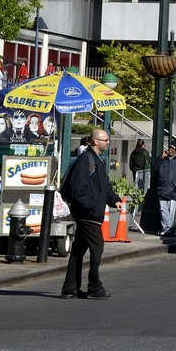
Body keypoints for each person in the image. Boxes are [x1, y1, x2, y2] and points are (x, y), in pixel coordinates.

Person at [59, 128, 124, 300]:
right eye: (105, 140)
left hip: (90, 212)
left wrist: (114, 200)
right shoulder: (85, 160)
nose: (108, 143)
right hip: (88, 214)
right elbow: (78, 189)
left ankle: (70, 288)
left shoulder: (99, 161)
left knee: (78, 250)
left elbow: (105, 187)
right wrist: (93, 206)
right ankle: (95, 286)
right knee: (97, 247)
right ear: (96, 141)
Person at [151, 138, 176, 240]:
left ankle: (169, 228)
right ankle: (166, 229)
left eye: (172, 148)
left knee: (171, 212)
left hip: (173, 190)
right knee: (163, 210)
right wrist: (161, 158)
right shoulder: (163, 159)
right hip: (162, 188)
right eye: (169, 147)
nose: (170, 150)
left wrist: (175, 186)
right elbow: (154, 168)